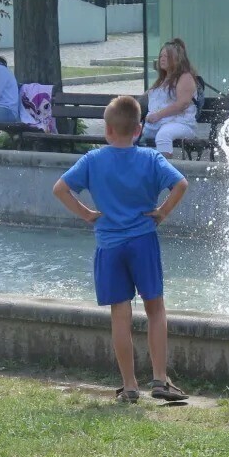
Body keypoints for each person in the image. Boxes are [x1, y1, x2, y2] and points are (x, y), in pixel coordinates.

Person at [52, 95, 190, 403]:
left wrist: (87, 213)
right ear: (139, 129)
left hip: (109, 245)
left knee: (120, 314)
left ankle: (129, 385)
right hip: (143, 241)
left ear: (107, 130)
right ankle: (159, 378)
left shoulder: (93, 159)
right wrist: (162, 212)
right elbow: (181, 184)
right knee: (155, 309)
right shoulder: (151, 159)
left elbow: (60, 188)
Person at [142, 38, 199, 158]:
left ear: (176, 59)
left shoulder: (185, 77)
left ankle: (164, 171)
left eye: (166, 56)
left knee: (164, 135)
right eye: (161, 56)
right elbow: (144, 99)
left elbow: (182, 104)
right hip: (157, 123)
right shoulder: (162, 80)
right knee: (130, 131)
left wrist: (158, 115)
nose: (162, 59)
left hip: (182, 124)